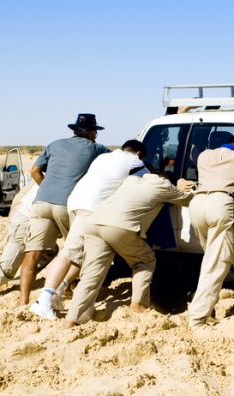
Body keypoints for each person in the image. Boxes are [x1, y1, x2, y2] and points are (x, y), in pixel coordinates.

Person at [30, 140, 149, 320]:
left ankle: (57, 292)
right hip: (91, 208)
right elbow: (149, 183)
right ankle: (43, 300)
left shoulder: (104, 157)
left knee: (80, 254)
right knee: (69, 252)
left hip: (75, 202)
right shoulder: (135, 162)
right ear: (139, 154)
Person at [65, 173, 194, 327]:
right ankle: (138, 304)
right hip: (120, 226)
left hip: (94, 223)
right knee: (144, 261)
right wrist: (181, 186)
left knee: (92, 274)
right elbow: (188, 200)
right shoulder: (163, 185)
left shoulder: (130, 181)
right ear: (165, 178)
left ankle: (74, 317)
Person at [18, 113, 110, 306]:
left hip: (41, 202)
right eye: (95, 132)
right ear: (91, 132)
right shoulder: (97, 149)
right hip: (67, 205)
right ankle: (66, 289)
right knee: (73, 249)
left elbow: (34, 170)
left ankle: (23, 301)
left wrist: (46, 188)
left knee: (32, 254)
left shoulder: (54, 144)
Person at [187, 136, 234, 327]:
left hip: (197, 204)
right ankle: (198, 318)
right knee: (217, 264)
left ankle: (209, 308)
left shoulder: (204, 155)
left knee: (209, 259)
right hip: (221, 204)